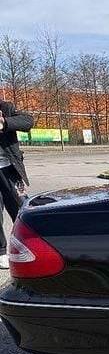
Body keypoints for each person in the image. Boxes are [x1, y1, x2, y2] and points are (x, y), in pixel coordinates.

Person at [0, 101, 34, 270]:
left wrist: (5, 123)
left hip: (9, 169)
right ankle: (1, 253)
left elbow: (28, 121)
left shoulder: (6, 108)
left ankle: (28, 245)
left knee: (22, 208)